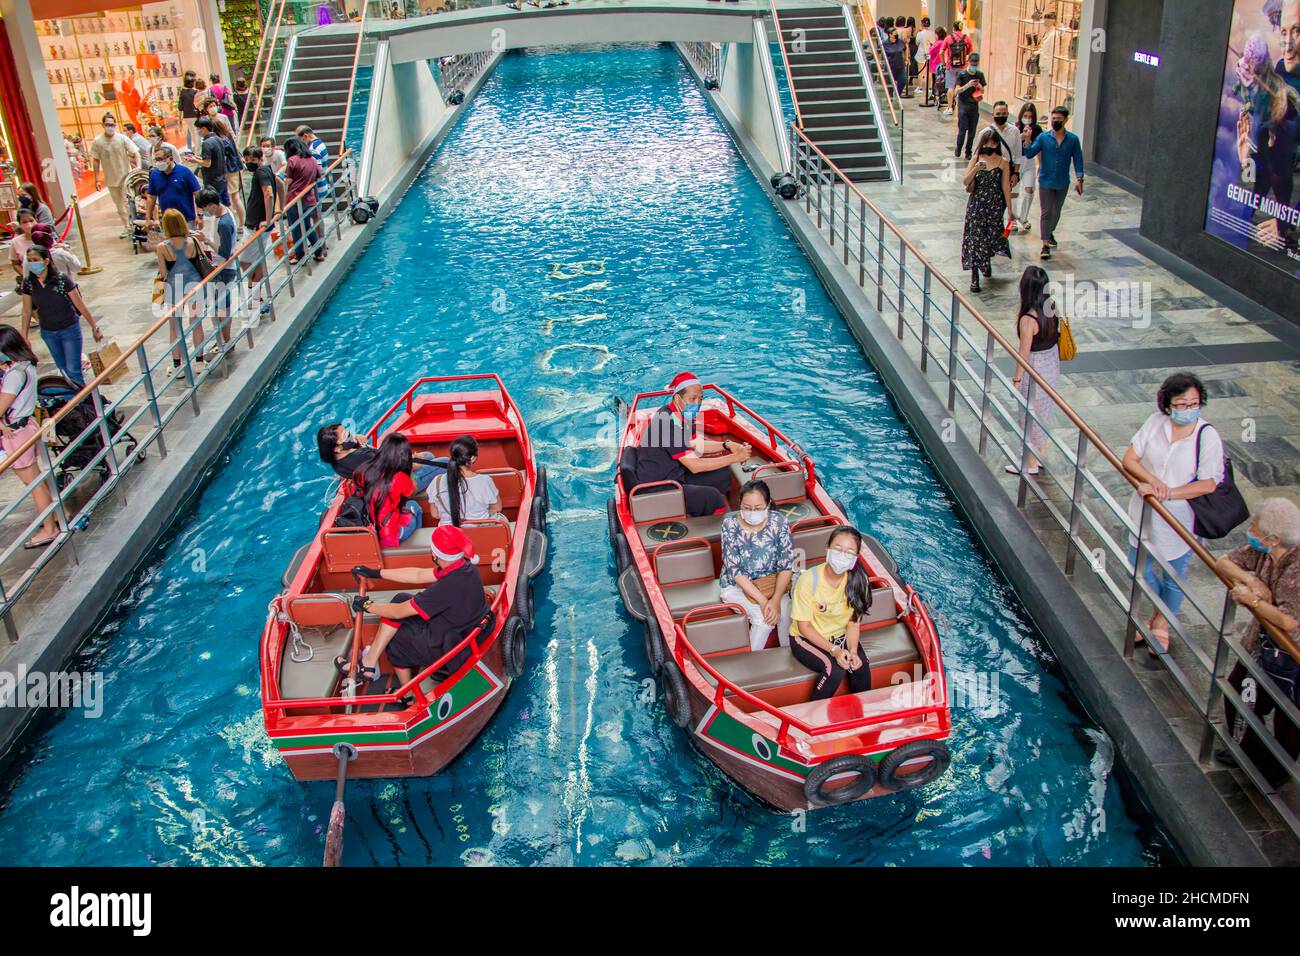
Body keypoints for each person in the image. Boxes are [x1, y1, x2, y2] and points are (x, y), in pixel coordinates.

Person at [1121, 372, 1225, 652]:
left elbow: (1209, 483)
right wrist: (1151, 481)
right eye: (1181, 404)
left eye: (1193, 403)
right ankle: (1158, 615)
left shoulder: (1207, 436)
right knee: (1138, 567)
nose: (1187, 410)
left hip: (1181, 518)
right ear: (1168, 405)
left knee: (1174, 575)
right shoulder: (1156, 424)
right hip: (1145, 509)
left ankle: (1161, 623)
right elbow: (1130, 458)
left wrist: (1169, 493)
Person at [342, 525, 492, 695]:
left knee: (395, 638)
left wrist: (367, 606)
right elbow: (418, 575)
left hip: (450, 646)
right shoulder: (463, 567)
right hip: (462, 629)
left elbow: (399, 612)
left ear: (434, 554)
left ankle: (407, 694)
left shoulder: (447, 587)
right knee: (400, 598)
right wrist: (376, 573)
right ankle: (369, 663)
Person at [1216, 497, 1300, 785]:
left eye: (1254, 526)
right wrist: (1252, 582)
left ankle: (1274, 774)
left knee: (1288, 717)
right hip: (1263, 645)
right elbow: (1224, 561)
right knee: (1240, 692)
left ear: (1274, 538)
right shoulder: (1265, 551)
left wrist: (1250, 599)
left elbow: (1289, 621)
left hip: (1292, 655)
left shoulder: (1296, 569)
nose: (1250, 530)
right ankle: (1249, 752)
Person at [634, 371, 751, 517]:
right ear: (677, 398)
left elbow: (697, 443)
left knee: (723, 474)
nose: (697, 403)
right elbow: (694, 466)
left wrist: (727, 445)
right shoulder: (666, 422)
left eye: (700, 399)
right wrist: (735, 457)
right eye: (692, 398)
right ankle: (716, 525)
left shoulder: (684, 414)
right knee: (712, 497)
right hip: (658, 488)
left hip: (675, 473)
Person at [789, 526, 875, 701]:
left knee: (860, 667)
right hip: (805, 638)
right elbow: (803, 627)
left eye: (849, 552)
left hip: (840, 637)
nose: (842, 555)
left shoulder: (860, 581)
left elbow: (853, 623)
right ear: (827, 548)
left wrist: (852, 651)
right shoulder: (809, 580)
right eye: (838, 549)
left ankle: (862, 716)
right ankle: (811, 721)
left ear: (855, 558)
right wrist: (834, 651)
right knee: (834, 671)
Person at [0, 326, 60, 549]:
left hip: (16, 433)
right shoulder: (26, 365)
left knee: (32, 482)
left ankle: (49, 528)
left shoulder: (14, 375)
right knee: (38, 478)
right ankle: (54, 515)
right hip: (28, 426)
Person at [719, 479, 794, 651]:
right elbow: (735, 571)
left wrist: (775, 600)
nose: (752, 512)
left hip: (772, 583)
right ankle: (751, 665)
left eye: (758, 508)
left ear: (768, 504)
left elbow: (785, 565)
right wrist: (762, 601)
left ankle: (789, 658)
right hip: (737, 586)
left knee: (786, 613)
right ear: (740, 504)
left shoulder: (779, 522)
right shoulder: (729, 525)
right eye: (747, 507)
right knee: (763, 620)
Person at [19, 245, 103, 387]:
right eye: (30, 260)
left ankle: (84, 403)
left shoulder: (61, 280)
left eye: (36, 260)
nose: (32, 263)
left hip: (69, 329)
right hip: (48, 332)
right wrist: (24, 336)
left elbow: (80, 305)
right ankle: (71, 401)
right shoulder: (28, 283)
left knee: (73, 370)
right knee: (63, 370)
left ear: (46, 261)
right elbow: (26, 311)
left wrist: (94, 326)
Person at [1008, 266, 1060, 477]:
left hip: (1035, 370)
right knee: (1044, 413)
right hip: (1052, 366)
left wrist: (1017, 380)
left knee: (1028, 415)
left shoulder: (1028, 320)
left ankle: (1030, 463)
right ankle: (1039, 455)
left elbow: (1024, 353)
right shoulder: (1052, 307)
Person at [1021, 105, 1084, 261]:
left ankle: (1049, 232)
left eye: (1058, 119)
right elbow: (1029, 153)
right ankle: (1045, 244)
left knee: (1056, 212)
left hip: (1062, 182)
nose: (1055, 122)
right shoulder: (1043, 138)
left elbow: (1078, 159)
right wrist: (1027, 140)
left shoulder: (1073, 140)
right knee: (1046, 212)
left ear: (1065, 120)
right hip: (1046, 181)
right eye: (1053, 119)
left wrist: (1079, 179)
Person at [316, 422, 447, 489]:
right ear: (337, 447)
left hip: (379, 483)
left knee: (428, 456)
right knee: (443, 461)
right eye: (346, 435)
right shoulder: (363, 456)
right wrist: (414, 464)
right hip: (399, 484)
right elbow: (398, 468)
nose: (350, 434)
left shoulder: (337, 462)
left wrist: (355, 438)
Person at [154, 208, 209, 369]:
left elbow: (163, 273)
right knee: (196, 323)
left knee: (175, 327)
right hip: (194, 284)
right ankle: (199, 360)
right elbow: (203, 260)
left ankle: (178, 365)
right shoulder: (192, 242)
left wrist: (158, 295)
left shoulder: (162, 247)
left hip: (174, 287)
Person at [960, 129, 1012, 292]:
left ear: (997, 144)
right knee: (975, 238)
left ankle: (986, 261)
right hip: (977, 204)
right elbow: (965, 181)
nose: (990, 145)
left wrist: (1010, 208)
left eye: (993, 142)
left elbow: (1005, 186)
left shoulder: (1003, 162)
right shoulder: (976, 159)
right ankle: (975, 276)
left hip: (994, 205)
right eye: (987, 142)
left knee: (992, 235)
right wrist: (976, 169)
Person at [353, 432, 423, 547]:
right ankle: (416, 545)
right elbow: (413, 491)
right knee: (415, 507)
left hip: (373, 528)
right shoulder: (400, 477)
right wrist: (410, 471)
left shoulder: (363, 469)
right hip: (391, 535)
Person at [195, 188, 238, 348]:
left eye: (205, 208)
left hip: (223, 269)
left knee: (223, 306)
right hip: (220, 266)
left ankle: (227, 340)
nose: (205, 212)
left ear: (212, 205)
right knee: (221, 306)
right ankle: (225, 339)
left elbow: (225, 253)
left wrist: (205, 240)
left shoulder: (224, 223)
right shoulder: (224, 213)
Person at [431, 435, 502, 526]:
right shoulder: (485, 481)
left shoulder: (437, 481)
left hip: (449, 535)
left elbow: (435, 514)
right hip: (480, 533)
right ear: (472, 458)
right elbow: (497, 507)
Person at [88, 114, 140, 238]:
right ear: (103, 125)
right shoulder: (97, 141)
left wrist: (137, 167)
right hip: (111, 179)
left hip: (125, 177)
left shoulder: (122, 138)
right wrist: (96, 180)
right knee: (119, 205)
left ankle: (134, 225)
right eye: (107, 125)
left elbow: (135, 152)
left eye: (112, 125)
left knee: (128, 203)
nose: (110, 127)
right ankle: (126, 227)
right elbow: (95, 160)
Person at [239, 145, 277, 318]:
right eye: (246, 160)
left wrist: (268, 219)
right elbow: (281, 185)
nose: (249, 163)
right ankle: (257, 296)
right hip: (258, 225)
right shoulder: (267, 170)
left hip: (256, 226)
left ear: (259, 159)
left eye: (252, 160)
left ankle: (256, 297)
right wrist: (279, 209)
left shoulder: (261, 173)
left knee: (245, 261)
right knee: (256, 260)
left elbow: (268, 193)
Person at [283, 136, 324, 264]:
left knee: (296, 228)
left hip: (294, 199)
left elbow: (288, 182)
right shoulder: (311, 159)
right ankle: (318, 252)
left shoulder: (292, 161)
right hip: (309, 199)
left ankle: (300, 255)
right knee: (307, 226)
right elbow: (319, 174)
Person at [144, 145, 202, 227]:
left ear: (170, 159)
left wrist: (199, 215)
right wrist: (148, 219)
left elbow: (197, 194)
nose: (158, 162)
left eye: (160, 159)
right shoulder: (154, 174)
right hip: (168, 221)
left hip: (187, 220)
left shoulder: (185, 172)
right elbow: (151, 197)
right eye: (156, 160)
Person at [296, 125, 332, 252]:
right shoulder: (320, 144)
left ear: (305, 135)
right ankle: (320, 241)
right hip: (322, 185)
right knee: (317, 215)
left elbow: (316, 170)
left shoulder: (313, 149)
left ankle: (320, 243)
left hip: (317, 188)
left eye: (300, 138)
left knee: (316, 216)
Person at [1012, 103, 1043, 232]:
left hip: (1029, 162)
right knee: (1014, 191)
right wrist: (1022, 137)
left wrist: (1040, 164)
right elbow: (1012, 144)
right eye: (1025, 116)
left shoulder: (1037, 130)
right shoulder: (1015, 127)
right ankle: (1012, 218)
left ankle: (1023, 218)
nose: (1027, 118)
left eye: (1030, 116)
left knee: (1029, 189)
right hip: (1016, 162)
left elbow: (1038, 148)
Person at [984, 100, 1022, 202]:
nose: (1001, 116)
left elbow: (1018, 154)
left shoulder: (1015, 131)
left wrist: (1016, 173)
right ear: (993, 115)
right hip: (989, 171)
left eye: (1004, 114)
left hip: (1007, 171)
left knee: (1004, 200)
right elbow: (978, 154)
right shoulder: (986, 132)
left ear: (1008, 114)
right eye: (998, 114)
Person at [953, 51, 987, 159]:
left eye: (976, 64)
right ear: (969, 62)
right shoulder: (962, 74)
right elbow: (956, 91)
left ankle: (968, 151)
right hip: (963, 105)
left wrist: (979, 86)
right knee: (962, 130)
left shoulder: (980, 75)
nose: (974, 66)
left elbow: (983, 90)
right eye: (972, 64)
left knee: (972, 132)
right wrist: (968, 85)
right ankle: (958, 147)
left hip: (974, 106)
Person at [192, 117, 229, 206]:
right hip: (222, 178)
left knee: (216, 205)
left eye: (198, 129)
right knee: (226, 204)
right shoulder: (218, 138)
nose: (198, 131)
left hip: (213, 181)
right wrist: (199, 158)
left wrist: (194, 160)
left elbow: (207, 163)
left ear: (203, 128)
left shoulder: (207, 143)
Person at [941, 21, 972, 115]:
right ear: (961, 28)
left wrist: (944, 63)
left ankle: (950, 108)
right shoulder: (967, 39)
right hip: (963, 66)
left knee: (951, 87)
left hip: (951, 66)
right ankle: (963, 107)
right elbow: (971, 53)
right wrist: (967, 61)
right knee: (962, 87)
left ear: (953, 28)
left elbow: (941, 52)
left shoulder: (948, 38)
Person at [178, 72, 199, 149]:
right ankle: (198, 149)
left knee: (193, 133)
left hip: (187, 116)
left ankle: (196, 148)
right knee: (196, 133)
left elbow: (180, 107)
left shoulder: (182, 92)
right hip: (195, 114)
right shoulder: (195, 92)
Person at [927, 26, 948, 106]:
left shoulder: (939, 43)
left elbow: (931, 51)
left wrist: (930, 46)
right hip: (940, 64)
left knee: (936, 80)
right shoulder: (944, 42)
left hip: (936, 64)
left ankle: (935, 94)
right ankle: (935, 94)